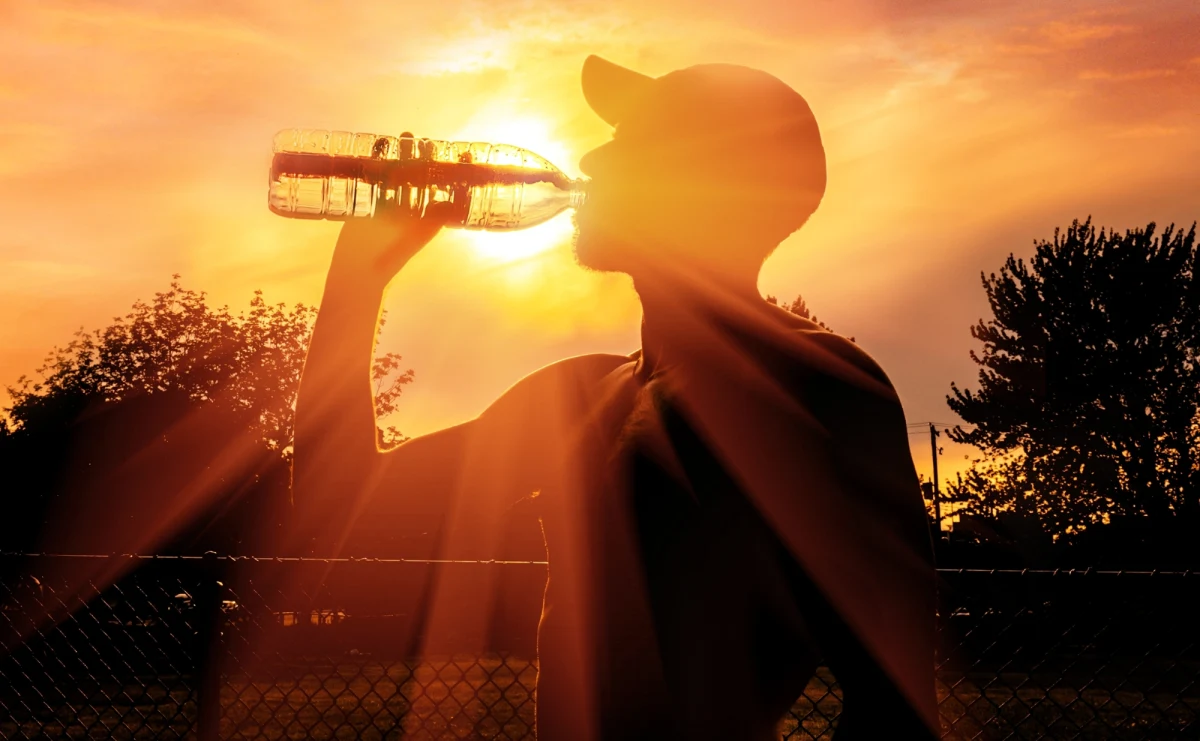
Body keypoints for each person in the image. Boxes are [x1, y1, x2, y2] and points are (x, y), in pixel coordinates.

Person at [292, 55, 938, 741]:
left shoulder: (816, 390)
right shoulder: (579, 396)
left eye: (633, 144)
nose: (593, 158)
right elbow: (341, 504)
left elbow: (895, 707)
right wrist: (360, 273)